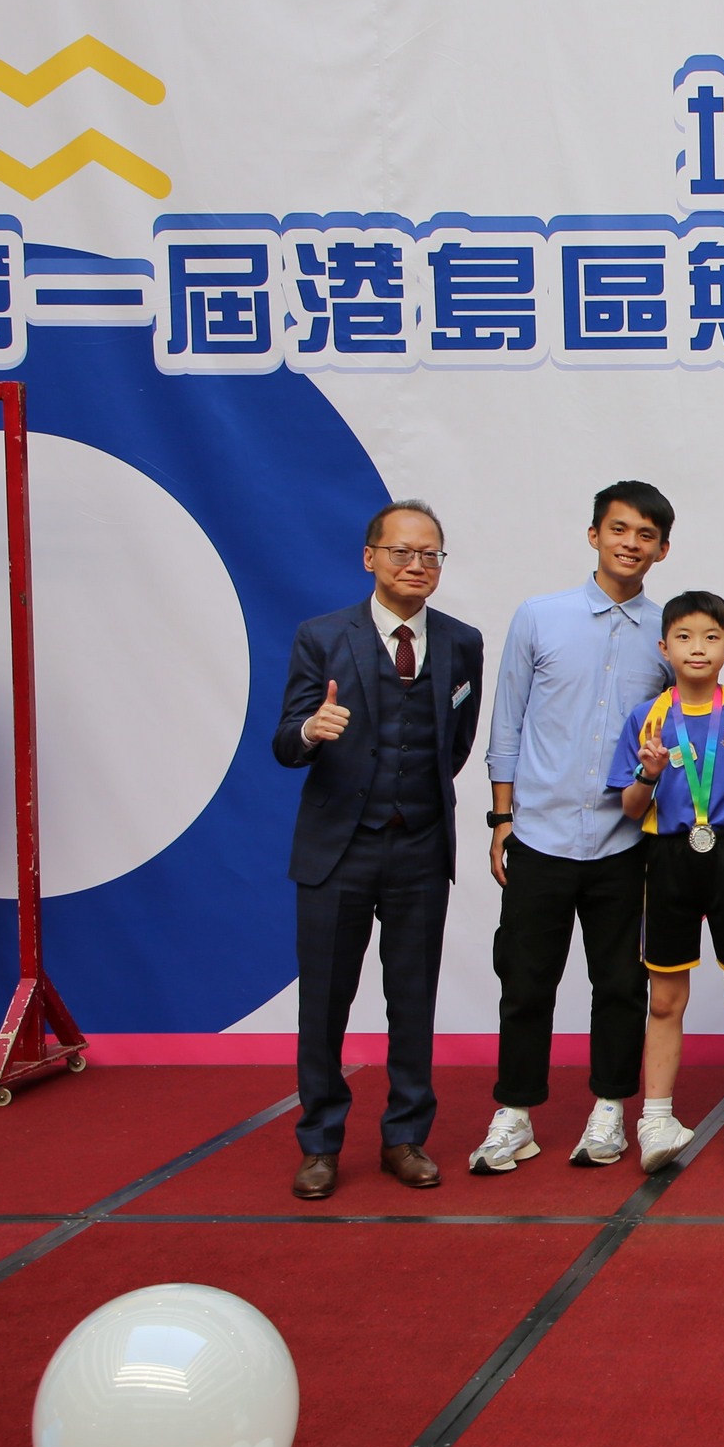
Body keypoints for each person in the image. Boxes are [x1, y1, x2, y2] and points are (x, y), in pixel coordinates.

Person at [480, 482, 724, 1174]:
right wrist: (501, 816)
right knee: (525, 980)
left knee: (619, 984)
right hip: (541, 832)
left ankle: (610, 1109)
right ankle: (514, 1114)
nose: (630, 543)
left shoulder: (664, 633)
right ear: (594, 535)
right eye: (619, 529)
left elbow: (701, 707)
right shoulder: (539, 618)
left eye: (646, 535)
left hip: (625, 840)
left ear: (662, 549)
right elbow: (507, 723)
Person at [271, 501, 483, 1200]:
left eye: (430, 554)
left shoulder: (462, 643)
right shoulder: (321, 637)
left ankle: (405, 1137)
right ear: (370, 557)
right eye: (401, 552)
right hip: (338, 850)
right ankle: (320, 1144)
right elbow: (284, 743)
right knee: (324, 1004)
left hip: (420, 847)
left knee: (413, 1000)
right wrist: (312, 730)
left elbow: (455, 746)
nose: (416, 565)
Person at [605, 591, 724, 1174]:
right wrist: (648, 773)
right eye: (684, 637)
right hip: (668, 859)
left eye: (711, 637)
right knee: (665, 999)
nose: (698, 648)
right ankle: (655, 1120)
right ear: (665, 647)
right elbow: (631, 808)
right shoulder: (647, 718)